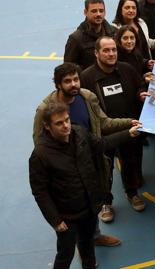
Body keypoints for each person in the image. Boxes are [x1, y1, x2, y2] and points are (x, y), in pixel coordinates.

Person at [32, 63, 138, 244]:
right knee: (73, 208)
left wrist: (129, 122)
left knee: (91, 200)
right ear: (58, 84)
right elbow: (39, 142)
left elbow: (103, 123)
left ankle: (94, 236)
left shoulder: (87, 97)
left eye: (76, 79)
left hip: (89, 159)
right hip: (65, 167)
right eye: (67, 81)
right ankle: (81, 244)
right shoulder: (45, 109)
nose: (73, 84)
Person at [29, 101, 141, 269]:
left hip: (88, 207)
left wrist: (128, 134)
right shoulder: (40, 155)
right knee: (65, 254)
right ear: (47, 126)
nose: (65, 125)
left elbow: (101, 144)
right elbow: (40, 191)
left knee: (87, 246)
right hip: (66, 216)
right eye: (59, 123)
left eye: (66, 120)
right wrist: (55, 220)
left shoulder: (79, 133)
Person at [80, 36, 149, 213]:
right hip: (104, 133)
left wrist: (140, 93)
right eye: (106, 50)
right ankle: (105, 202)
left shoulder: (127, 70)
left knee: (130, 162)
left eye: (114, 50)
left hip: (128, 128)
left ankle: (132, 193)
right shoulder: (87, 78)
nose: (111, 54)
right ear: (96, 53)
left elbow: (140, 86)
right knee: (104, 168)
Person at [64, 0, 117, 69]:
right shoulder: (76, 39)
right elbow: (68, 68)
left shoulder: (114, 32)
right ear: (85, 12)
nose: (98, 14)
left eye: (101, 11)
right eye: (94, 11)